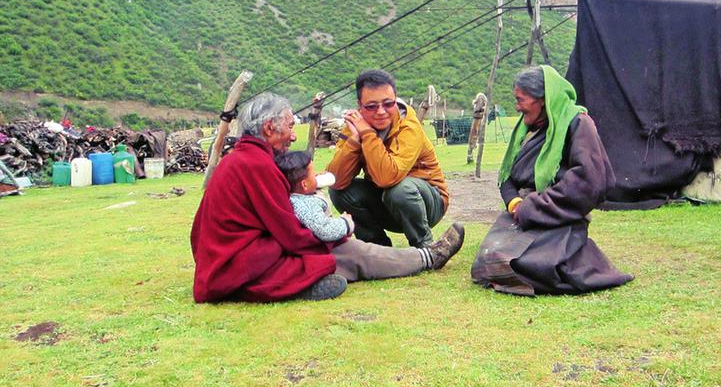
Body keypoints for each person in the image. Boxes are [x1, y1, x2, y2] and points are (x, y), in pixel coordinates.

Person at [190, 92, 464, 304]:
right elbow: (290, 234)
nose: (293, 136)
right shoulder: (256, 164)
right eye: (289, 126)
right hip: (239, 267)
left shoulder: (240, 159)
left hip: (225, 263)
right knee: (346, 253)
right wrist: (334, 234)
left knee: (340, 251)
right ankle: (428, 257)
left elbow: (198, 232)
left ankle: (316, 278)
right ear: (269, 128)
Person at [471, 65, 633, 296]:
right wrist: (515, 203)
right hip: (522, 213)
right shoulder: (528, 130)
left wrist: (534, 207)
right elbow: (507, 176)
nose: (517, 107)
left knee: (530, 265)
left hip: (559, 214)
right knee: (489, 258)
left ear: (542, 99)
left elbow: (588, 181)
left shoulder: (578, 123)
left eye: (520, 100)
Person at [327, 69, 448, 249]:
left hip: (428, 202)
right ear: (360, 105)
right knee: (339, 192)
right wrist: (354, 140)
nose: (381, 111)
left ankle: (425, 248)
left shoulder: (408, 126)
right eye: (371, 106)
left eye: (388, 104)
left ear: (395, 100)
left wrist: (367, 134)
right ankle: (376, 249)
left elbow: (388, 178)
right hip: (387, 202)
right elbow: (336, 180)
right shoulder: (354, 125)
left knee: (399, 189)